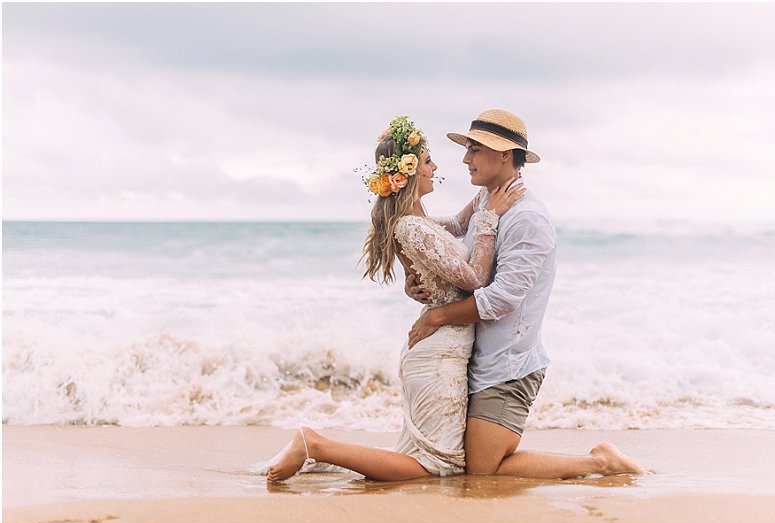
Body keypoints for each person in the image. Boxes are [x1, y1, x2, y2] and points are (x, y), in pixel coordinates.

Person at [262, 116, 525, 481]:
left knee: (431, 459)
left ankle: (318, 447)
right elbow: (476, 278)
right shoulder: (411, 227)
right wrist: (491, 221)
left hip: (444, 349)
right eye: (429, 161)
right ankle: (315, 444)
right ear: (412, 172)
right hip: (438, 354)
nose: (436, 168)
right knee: (437, 466)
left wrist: (491, 189)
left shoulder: (421, 222)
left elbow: (462, 222)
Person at [405, 109, 644, 478]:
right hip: (476, 358)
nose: (465, 159)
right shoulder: (488, 200)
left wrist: (436, 316)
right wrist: (405, 235)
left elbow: (501, 298)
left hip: (506, 366)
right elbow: (451, 231)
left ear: (505, 154)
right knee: (468, 465)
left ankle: (600, 463)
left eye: (474, 150)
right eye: (467, 149)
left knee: (482, 471)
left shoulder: (527, 218)